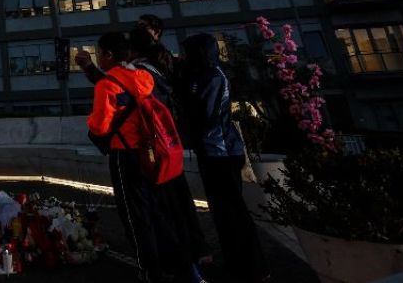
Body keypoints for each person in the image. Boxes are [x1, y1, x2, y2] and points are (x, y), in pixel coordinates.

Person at [82, 32, 205, 283]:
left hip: (125, 154)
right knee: (159, 213)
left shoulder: (108, 85)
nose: (98, 57)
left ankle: (151, 271)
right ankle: (184, 267)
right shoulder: (143, 77)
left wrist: (91, 119)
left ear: (107, 55)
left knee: (135, 217)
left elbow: (99, 127)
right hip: (151, 154)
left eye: (99, 52)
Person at [180, 33, 270, 283]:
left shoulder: (211, 77)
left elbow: (204, 115)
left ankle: (252, 267)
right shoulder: (205, 75)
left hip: (219, 151)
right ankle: (239, 263)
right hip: (216, 150)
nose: (185, 58)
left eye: (188, 53)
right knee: (224, 212)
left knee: (232, 211)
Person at [129, 22, 212, 267]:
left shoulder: (138, 72)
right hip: (172, 141)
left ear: (133, 48)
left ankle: (178, 256)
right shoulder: (164, 66)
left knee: (162, 202)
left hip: (154, 145)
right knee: (181, 197)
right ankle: (199, 248)